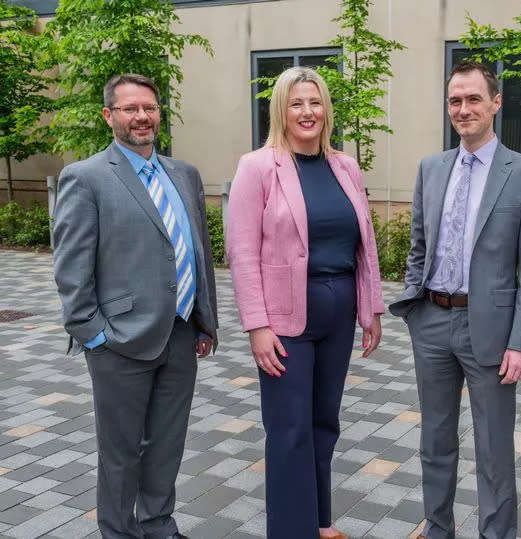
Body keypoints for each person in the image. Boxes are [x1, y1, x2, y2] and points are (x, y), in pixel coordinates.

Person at [52, 73, 218, 538]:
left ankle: (159, 527)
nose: (141, 117)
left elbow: (197, 250)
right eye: (129, 109)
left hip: (181, 336)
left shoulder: (183, 174)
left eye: (149, 107)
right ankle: (119, 533)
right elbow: (71, 268)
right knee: (121, 452)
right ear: (109, 116)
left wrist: (205, 322)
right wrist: (95, 335)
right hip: (119, 345)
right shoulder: (85, 178)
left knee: (167, 446)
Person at [389, 61, 521, 539]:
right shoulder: (431, 168)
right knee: (434, 443)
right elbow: (420, 246)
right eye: (455, 100)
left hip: (494, 333)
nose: (464, 109)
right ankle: (438, 530)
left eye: (474, 99)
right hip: (433, 322)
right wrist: (414, 307)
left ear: (496, 103)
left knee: (493, 449)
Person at [226, 66, 384, 539]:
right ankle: (291, 531)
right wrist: (257, 324)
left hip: (338, 313)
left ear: (326, 109)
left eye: (314, 102)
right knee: (289, 430)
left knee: (323, 423)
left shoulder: (346, 167)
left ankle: (319, 521)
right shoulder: (257, 167)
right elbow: (241, 250)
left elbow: (365, 242)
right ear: (281, 110)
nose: (307, 112)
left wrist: (370, 306)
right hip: (284, 318)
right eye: (296, 103)